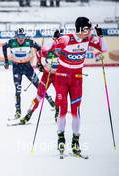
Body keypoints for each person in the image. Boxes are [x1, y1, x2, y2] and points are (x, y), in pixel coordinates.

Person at [36, 17, 107, 155]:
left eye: (90, 28)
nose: (89, 31)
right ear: (80, 28)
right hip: (61, 79)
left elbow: (103, 49)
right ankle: (61, 137)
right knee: (63, 110)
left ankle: (75, 141)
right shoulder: (66, 39)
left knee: (76, 111)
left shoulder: (89, 39)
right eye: (87, 28)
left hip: (76, 80)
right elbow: (45, 50)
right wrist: (54, 40)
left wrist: (100, 36)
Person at [2, 28, 55, 120]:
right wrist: (6, 61)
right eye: (19, 36)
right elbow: (3, 46)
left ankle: (51, 102)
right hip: (16, 68)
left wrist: (40, 62)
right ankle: (18, 111)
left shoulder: (29, 42)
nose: (21, 38)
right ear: (16, 36)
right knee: (18, 90)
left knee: (39, 86)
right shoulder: (11, 42)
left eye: (23, 36)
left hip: (27, 68)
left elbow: (40, 49)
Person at [20, 29, 62, 125]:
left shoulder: (64, 50)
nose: (58, 50)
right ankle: (29, 114)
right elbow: (38, 54)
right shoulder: (47, 50)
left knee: (60, 94)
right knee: (39, 96)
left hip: (58, 76)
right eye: (56, 41)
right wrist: (39, 65)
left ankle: (57, 111)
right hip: (47, 75)